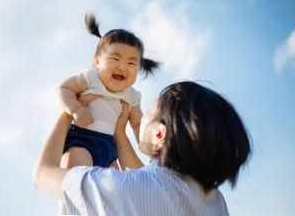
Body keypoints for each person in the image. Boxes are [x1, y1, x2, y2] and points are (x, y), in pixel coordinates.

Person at [33, 81, 251, 216]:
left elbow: (43, 174)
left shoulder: (122, 189)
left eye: (150, 111)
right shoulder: (215, 202)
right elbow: (152, 182)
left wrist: (70, 112)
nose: (141, 115)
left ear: (159, 133)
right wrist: (119, 134)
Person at [58, 13, 159, 170]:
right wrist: (76, 109)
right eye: (115, 59)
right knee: (77, 172)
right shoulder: (91, 79)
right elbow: (64, 89)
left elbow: (138, 123)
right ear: (97, 61)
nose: (122, 67)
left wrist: (151, 146)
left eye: (131, 63)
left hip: (109, 149)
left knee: (113, 186)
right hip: (81, 139)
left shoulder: (131, 96)